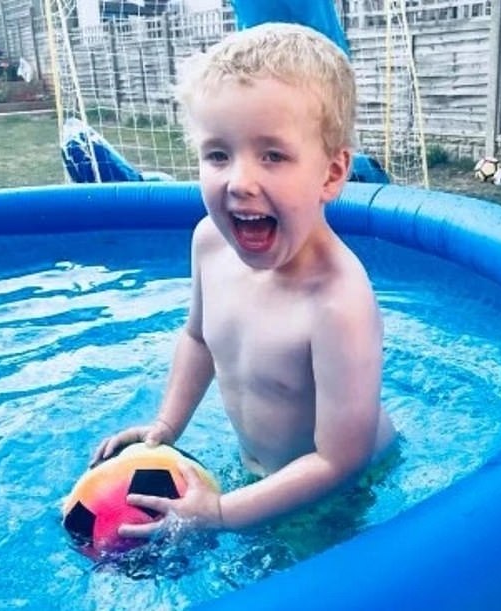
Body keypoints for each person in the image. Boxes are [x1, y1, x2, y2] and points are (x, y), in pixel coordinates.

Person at [90, 22, 396, 537]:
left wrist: (221, 513)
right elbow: (198, 339)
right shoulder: (209, 242)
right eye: (218, 154)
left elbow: (340, 460)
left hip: (340, 489)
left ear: (331, 174)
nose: (239, 181)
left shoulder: (337, 302)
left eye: (272, 155)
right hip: (259, 473)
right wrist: (166, 427)